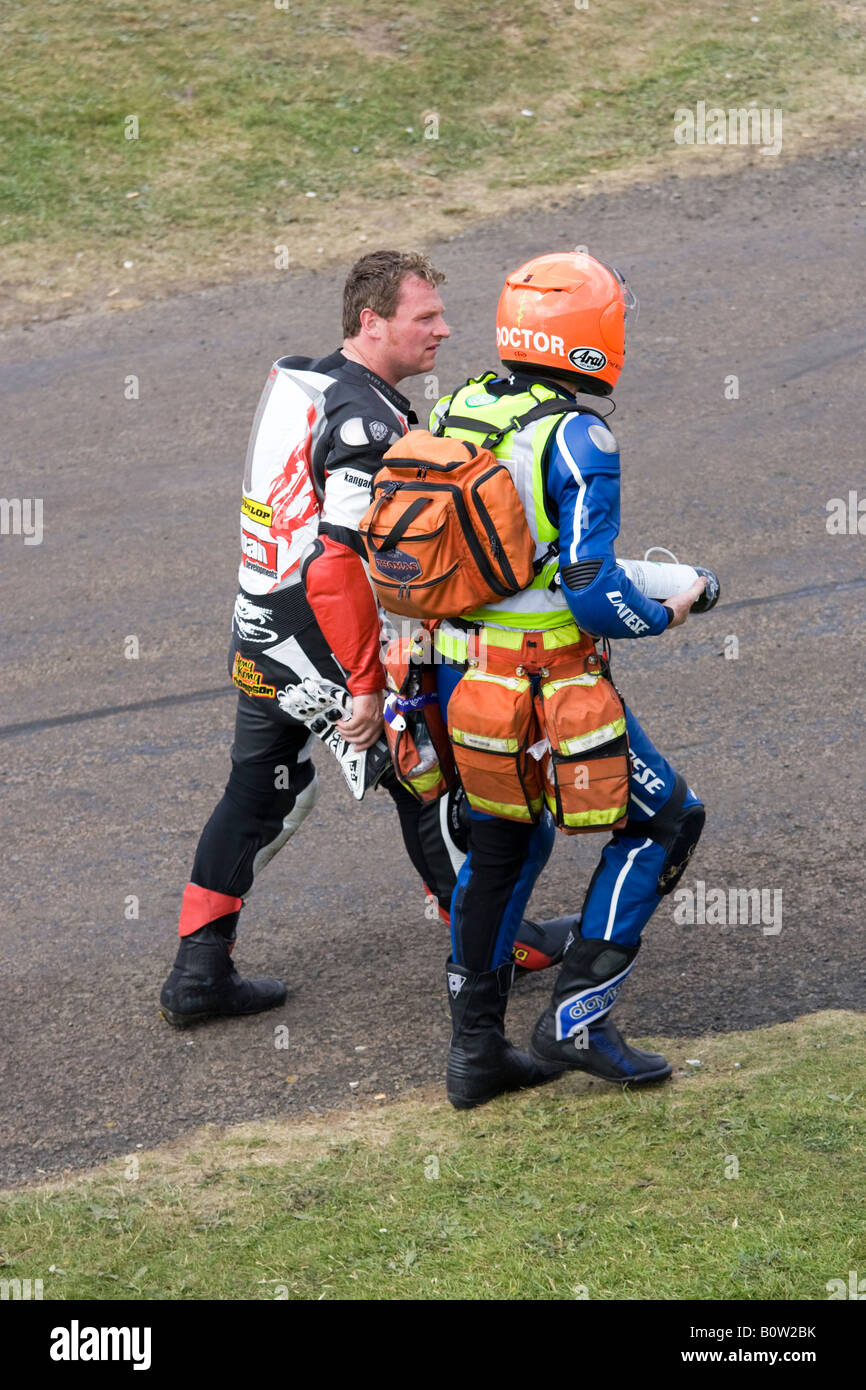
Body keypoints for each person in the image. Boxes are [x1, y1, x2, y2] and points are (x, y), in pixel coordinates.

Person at [159, 250, 568, 1026]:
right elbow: (335, 566)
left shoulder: (308, 380)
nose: (445, 330)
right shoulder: (367, 422)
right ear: (371, 322)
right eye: (426, 317)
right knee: (428, 782)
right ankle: (493, 947)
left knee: (264, 791)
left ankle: (198, 973)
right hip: (323, 637)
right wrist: (367, 683)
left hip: (259, 625)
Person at [428, 251, 707, 1108]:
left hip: (457, 679)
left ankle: (475, 1056)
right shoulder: (581, 436)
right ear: (593, 335)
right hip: (547, 689)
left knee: (501, 846)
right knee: (666, 820)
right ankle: (578, 1021)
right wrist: (670, 610)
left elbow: (513, 554)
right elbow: (588, 592)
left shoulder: (458, 404)